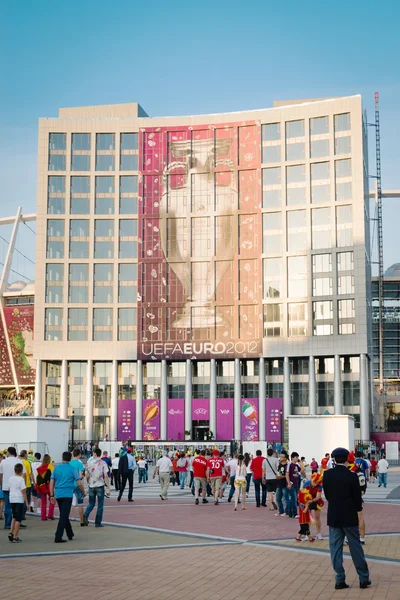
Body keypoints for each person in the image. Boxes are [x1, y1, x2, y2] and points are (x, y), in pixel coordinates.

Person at [323, 447, 370, 590]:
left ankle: (340, 579)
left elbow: (327, 495)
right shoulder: (352, 475)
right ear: (347, 459)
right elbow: (357, 497)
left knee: (335, 549)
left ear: (334, 459)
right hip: (349, 515)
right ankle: (363, 578)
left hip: (334, 515)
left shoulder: (327, 475)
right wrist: (358, 509)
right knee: (355, 547)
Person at [50, 451, 86, 543]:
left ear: (62, 458)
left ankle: (70, 533)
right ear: (70, 459)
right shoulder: (72, 469)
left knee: (64, 514)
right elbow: (79, 482)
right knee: (63, 515)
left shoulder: (56, 469)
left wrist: (51, 494)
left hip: (58, 494)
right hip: (67, 494)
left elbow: (51, 482)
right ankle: (58, 536)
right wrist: (83, 492)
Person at [83, 448, 110, 527]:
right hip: (100, 485)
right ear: (100, 454)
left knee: (91, 503)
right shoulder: (103, 463)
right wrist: (108, 487)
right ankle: (98, 522)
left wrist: (88, 481)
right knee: (100, 505)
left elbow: (87, 475)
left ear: (95, 454)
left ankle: (86, 514)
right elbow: (105, 476)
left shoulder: (90, 463)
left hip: (91, 485)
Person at [0, 447, 25, 530]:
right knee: (18, 506)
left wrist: (2, 483)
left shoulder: (3, 461)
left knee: (7, 506)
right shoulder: (19, 461)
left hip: (6, 486)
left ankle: (7, 524)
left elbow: (1, 474)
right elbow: (23, 474)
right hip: (17, 486)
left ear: (9, 452)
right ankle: (17, 522)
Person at [8, 463, 29, 543]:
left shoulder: (11, 478)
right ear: (21, 471)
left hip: (12, 499)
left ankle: (11, 532)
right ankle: (15, 536)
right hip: (19, 500)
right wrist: (27, 503)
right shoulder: (21, 479)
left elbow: (9, 488)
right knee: (18, 519)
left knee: (14, 516)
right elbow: (23, 492)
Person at [302, 472, 324, 540]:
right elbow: (303, 495)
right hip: (307, 500)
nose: (315, 484)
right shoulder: (306, 484)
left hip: (316, 501)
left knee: (317, 517)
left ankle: (318, 533)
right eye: (314, 482)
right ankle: (307, 534)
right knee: (308, 518)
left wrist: (311, 501)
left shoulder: (319, 486)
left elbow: (318, 497)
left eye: (317, 482)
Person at [36, 454, 55, 521]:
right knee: (52, 500)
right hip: (49, 485)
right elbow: (53, 475)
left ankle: (43, 516)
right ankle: (50, 514)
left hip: (42, 486)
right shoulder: (50, 466)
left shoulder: (40, 466)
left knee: (43, 502)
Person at [70, 448, 85, 526]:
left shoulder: (69, 463)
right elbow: (80, 476)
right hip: (77, 484)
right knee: (80, 503)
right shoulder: (79, 464)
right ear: (79, 455)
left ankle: (71, 516)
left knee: (72, 502)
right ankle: (82, 520)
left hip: (70, 485)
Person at [286, 452, 303, 518]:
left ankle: (291, 513)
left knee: (294, 498)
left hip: (296, 483)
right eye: (296, 457)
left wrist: (300, 463)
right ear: (293, 457)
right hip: (291, 483)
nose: (297, 459)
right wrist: (289, 483)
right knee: (294, 498)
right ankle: (294, 513)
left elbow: (301, 470)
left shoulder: (296, 465)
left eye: (297, 457)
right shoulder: (289, 464)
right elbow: (287, 474)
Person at [19, 450, 35, 521]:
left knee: (20, 499)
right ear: (25, 455)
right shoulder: (27, 463)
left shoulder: (18, 462)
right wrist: (34, 482)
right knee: (26, 500)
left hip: (19, 483)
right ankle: (22, 514)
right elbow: (30, 473)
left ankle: (19, 513)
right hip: (27, 483)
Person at [275, 451, 289, 517]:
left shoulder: (288, 465)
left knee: (285, 498)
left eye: (282, 457)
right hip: (279, 483)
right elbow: (278, 472)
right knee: (278, 498)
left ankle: (286, 512)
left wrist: (282, 476)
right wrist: (277, 476)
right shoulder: (280, 464)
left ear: (285, 458)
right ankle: (281, 511)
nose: (280, 458)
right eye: (280, 456)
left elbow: (288, 475)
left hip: (285, 483)